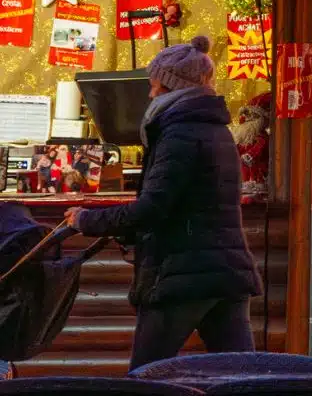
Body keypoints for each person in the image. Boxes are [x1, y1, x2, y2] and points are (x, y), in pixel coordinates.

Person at [64, 36, 260, 368]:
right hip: (224, 273)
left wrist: (86, 220)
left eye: (156, 87)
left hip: (181, 276)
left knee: (146, 374)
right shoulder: (215, 128)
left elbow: (153, 207)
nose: (151, 95)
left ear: (175, 89)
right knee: (242, 376)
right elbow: (190, 204)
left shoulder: (179, 133)